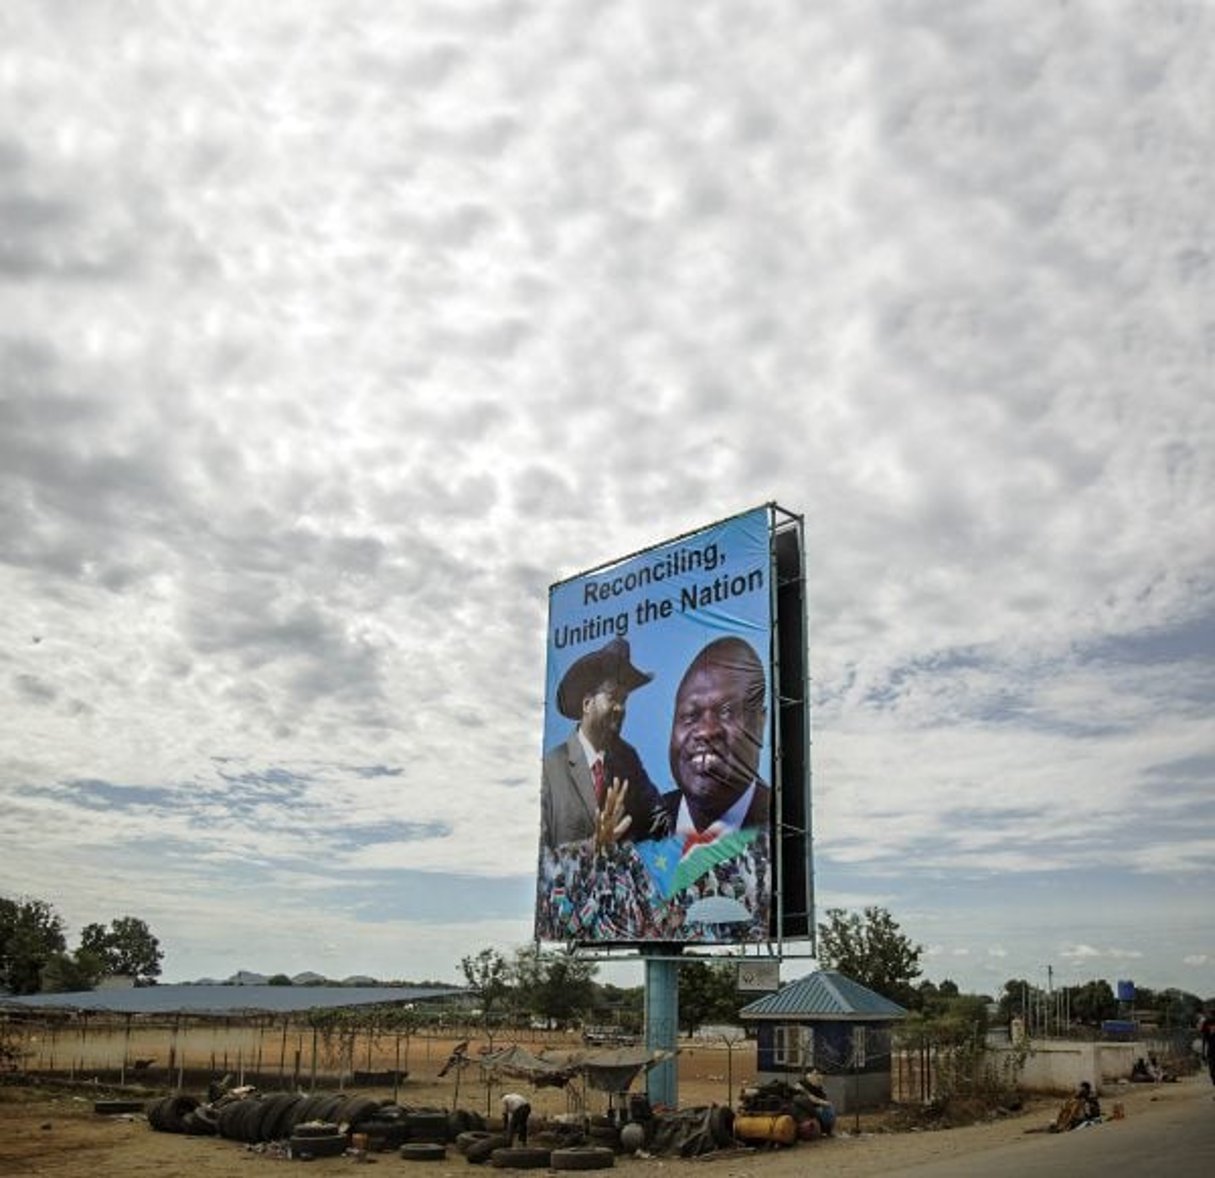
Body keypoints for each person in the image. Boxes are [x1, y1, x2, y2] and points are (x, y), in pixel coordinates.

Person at [540, 638, 669, 850]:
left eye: (624, 699)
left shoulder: (628, 759)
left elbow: (658, 820)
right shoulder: (551, 769)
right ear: (587, 704)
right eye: (613, 697)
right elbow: (544, 854)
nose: (620, 708)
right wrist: (594, 845)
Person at [659, 636, 770, 838]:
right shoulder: (635, 827)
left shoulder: (784, 819)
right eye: (690, 715)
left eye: (727, 713)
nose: (706, 731)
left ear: (759, 725)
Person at [1201, 1008, 1215, 1086]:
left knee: (1213, 1071)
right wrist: (1203, 1052)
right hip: (1211, 1050)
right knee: (1212, 1071)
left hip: (1211, 1050)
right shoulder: (1207, 1022)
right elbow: (1204, 1038)